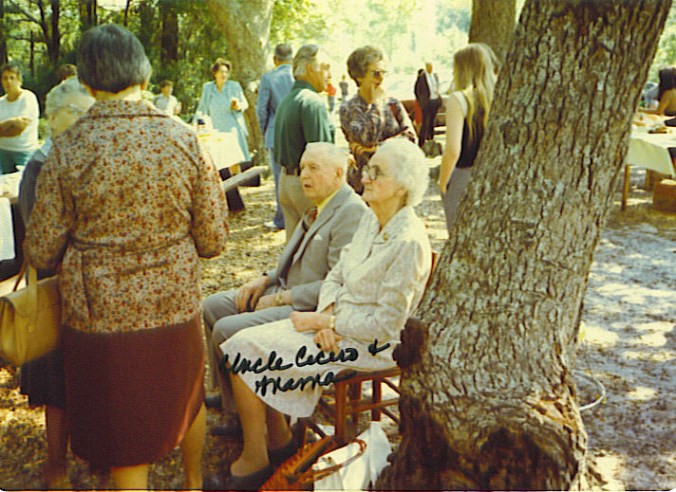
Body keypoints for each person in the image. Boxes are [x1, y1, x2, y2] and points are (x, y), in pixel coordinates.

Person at [24, 24, 229, 490]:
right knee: (187, 396)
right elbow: (214, 240)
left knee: (123, 434)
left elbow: (41, 249)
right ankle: (193, 483)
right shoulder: (184, 140)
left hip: (101, 317)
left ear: (88, 80)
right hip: (174, 305)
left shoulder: (70, 147)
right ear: (142, 70)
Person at [218, 139, 432, 489]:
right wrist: (329, 310)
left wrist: (327, 322)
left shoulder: (407, 240)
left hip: (370, 346)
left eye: (378, 172)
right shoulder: (371, 219)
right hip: (336, 325)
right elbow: (335, 275)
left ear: (403, 186)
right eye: (367, 167)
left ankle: (258, 458)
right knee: (242, 344)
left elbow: (385, 327)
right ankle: (277, 442)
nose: (366, 176)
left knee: (243, 351)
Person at [203, 142, 367, 423]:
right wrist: (264, 279)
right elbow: (292, 258)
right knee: (212, 305)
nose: (304, 175)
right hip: (283, 290)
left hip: (310, 308)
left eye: (314, 168)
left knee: (226, 328)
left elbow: (339, 286)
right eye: (303, 167)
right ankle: (232, 397)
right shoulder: (319, 205)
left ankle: (246, 415)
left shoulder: (351, 212)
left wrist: (281, 298)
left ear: (339, 173)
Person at [17, 77, 95, 490]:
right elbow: (44, 245)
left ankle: (93, 455)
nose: (87, 123)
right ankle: (55, 465)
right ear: (54, 117)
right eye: (80, 115)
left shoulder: (76, 157)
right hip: (57, 292)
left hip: (88, 291)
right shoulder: (39, 166)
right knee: (57, 383)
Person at [274, 44, 335, 241]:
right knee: (317, 251)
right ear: (310, 68)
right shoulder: (312, 102)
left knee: (294, 251)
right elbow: (322, 156)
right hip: (306, 187)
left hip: (286, 184)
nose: (329, 74)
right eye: (325, 67)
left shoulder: (288, 100)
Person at [340, 46, 416, 193]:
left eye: (383, 73)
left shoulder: (393, 104)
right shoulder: (348, 109)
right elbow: (365, 139)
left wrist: (377, 148)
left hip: (396, 182)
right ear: (359, 76)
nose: (381, 79)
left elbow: (411, 139)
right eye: (376, 74)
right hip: (366, 186)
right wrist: (376, 106)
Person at [438, 43, 496, 232]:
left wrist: (442, 181)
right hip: (492, 175)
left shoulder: (458, 99)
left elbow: (453, 150)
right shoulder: (496, 97)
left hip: (463, 175)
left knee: (458, 234)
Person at [197, 58, 251, 213]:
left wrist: (237, 105)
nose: (224, 75)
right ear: (215, 73)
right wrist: (198, 122)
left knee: (232, 160)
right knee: (217, 163)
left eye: (227, 72)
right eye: (221, 72)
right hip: (214, 128)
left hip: (232, 127)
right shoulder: (208, 88)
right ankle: (224, 198)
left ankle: (235, 197)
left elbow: (244, 104)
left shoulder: (234, 86)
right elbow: (202, 108)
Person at [256, 43, 294, 232]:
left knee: (280, 178)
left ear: (275, 59)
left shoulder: (269, 78)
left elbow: (261, 110)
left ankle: (281, 219)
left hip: (275, 133)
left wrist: (264, 132)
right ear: (292, 58)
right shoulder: (299, 77)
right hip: (297, 133)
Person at [0, 62, 39, 174]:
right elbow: (15, 126)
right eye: (5, 78)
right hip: (3, 152)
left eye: (12, 78)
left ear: (19, 80)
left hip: (24, 152)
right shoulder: (1, 102)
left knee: (24, 187)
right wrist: (12, 121)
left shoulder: (27, 98)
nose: (9, 82)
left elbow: (19, 128)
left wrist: (7, 126)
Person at [414, 61, 443, 147]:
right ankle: (421, 142)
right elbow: (417, 90)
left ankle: (431, 139)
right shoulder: (422, 77)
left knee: (432, 121)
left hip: (435, 100)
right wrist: (421, 101)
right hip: (426, 103)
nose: (431, 69)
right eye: (429, 67)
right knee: (425, 121)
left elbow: (437, 87)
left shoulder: (435, 76)